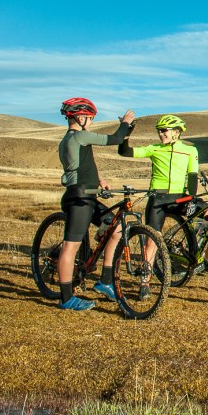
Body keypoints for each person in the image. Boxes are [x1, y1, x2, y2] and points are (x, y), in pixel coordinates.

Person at [56, 97, 136, 310]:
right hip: (79, 198)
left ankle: (105, 281)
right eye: (90, 119)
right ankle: (66, 299)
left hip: (86, 194)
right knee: (70, 248)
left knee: (116, 227)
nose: (91, 122)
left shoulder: (68, 139)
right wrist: (125, 123)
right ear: (81, 118)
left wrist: (98, 180)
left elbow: (81, 165)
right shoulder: (80, 136)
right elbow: (116, 139)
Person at [116, 114, 199, 300]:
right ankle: (145, 282)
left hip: (179, 197)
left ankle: (201, 257)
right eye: (159, 131)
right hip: (158, 199)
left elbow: (193, 176)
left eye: (164, 131)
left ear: (177, 132)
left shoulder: (190, 151)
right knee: (151, 238)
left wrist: (192, 198)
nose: (161, 134)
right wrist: (126, 133)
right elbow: (125, 152)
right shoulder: (154, 149)